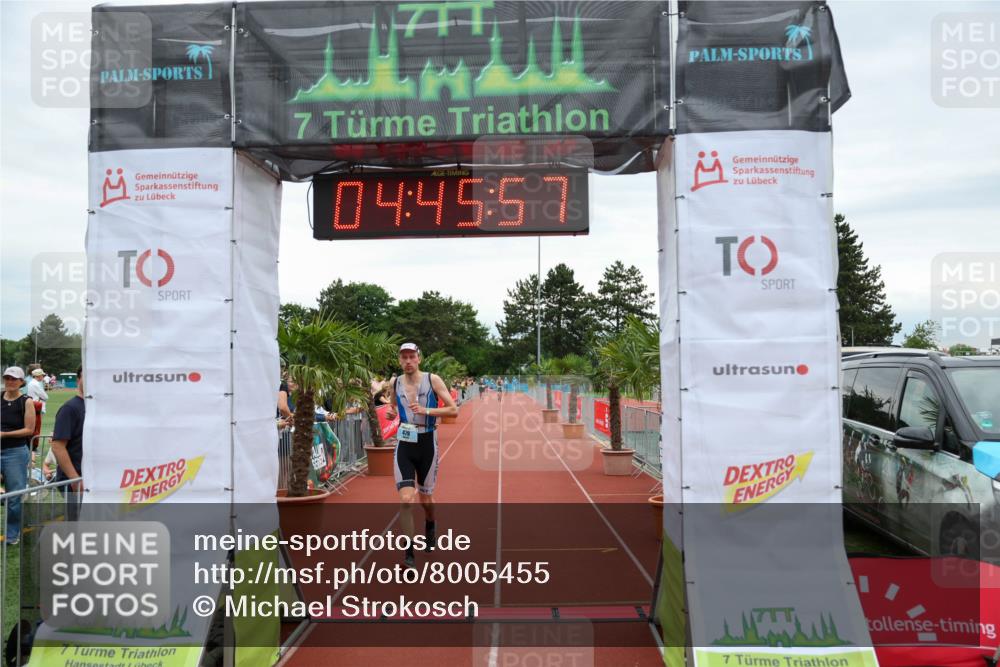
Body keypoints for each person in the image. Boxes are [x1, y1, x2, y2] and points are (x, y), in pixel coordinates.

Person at [384, 343, 458, 567]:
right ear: (399, 360)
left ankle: (430, 524)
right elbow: (393, 407)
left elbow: (453, 409)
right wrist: (391, 412)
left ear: (419, 359)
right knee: (407, 499)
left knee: (426, 500)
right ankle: (409, 553)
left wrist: (427, 410)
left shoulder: (432, 380)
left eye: (411, 357)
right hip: (405, 443)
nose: (408, 361)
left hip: (427, 443)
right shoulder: (394, 382)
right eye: (403, 357)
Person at [1, 367, 36, 545]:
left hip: (14, 452)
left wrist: (4, 435)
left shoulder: (26, 401)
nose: (10, 381)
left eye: (14, 379)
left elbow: (29, 430)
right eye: (7, 378)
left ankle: (12, 535)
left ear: (22, 382)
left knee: (14, 497)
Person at [50, 366, 85, 520]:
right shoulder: (70, 408)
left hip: (92, 477)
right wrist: (75, 479)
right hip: (74, 479)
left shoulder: (97, 408)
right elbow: (58, 446)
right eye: (86, 376)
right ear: (79, 380)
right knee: (77, 521)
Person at [25, 366, 47, 441]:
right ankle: (34, 445)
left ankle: (33, 444)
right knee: (36, 427)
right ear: (38, 376)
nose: (43, 377)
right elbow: (45, 396)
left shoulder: (32, 383)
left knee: (34, 426)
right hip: (37, 406)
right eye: (42, 375)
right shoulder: (35, 384)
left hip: (34, 405)